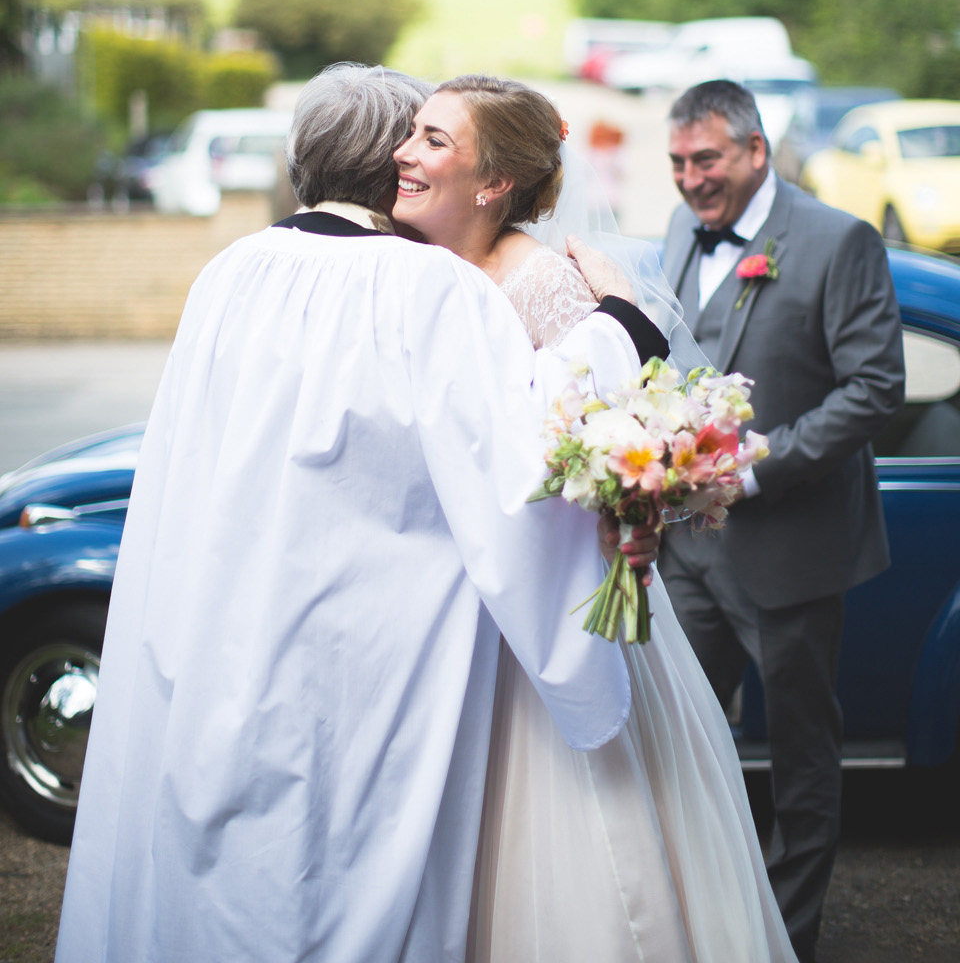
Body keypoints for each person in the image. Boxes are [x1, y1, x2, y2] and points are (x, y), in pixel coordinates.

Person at [55, 64, 665, 963]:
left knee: (224, 867)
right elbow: (519, 463)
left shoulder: (230, 271)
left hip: (222, 626)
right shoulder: (430, 290)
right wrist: (620, 328)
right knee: (340, 871)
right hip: (365, 655)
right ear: (389, 162)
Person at [392, 73, 799, 963]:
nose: (402, 153)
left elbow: (607, 432)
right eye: (411, 133)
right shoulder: (406, 269)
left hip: (547, 609)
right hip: (448, 614)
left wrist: (630, 508)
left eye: (430, 140)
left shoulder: (545, 283)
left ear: (495, 182)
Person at [658, 79, 905, 963]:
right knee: (674, 738)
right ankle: (699, 920)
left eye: (708, 159)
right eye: (680, 162)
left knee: (802, 761)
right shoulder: (678, 235)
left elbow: (876, 387)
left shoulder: (839, 239)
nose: (691, 179)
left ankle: (786, 940)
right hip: (688, 552)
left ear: (756, 151)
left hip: (792, 551)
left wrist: (760, 468)